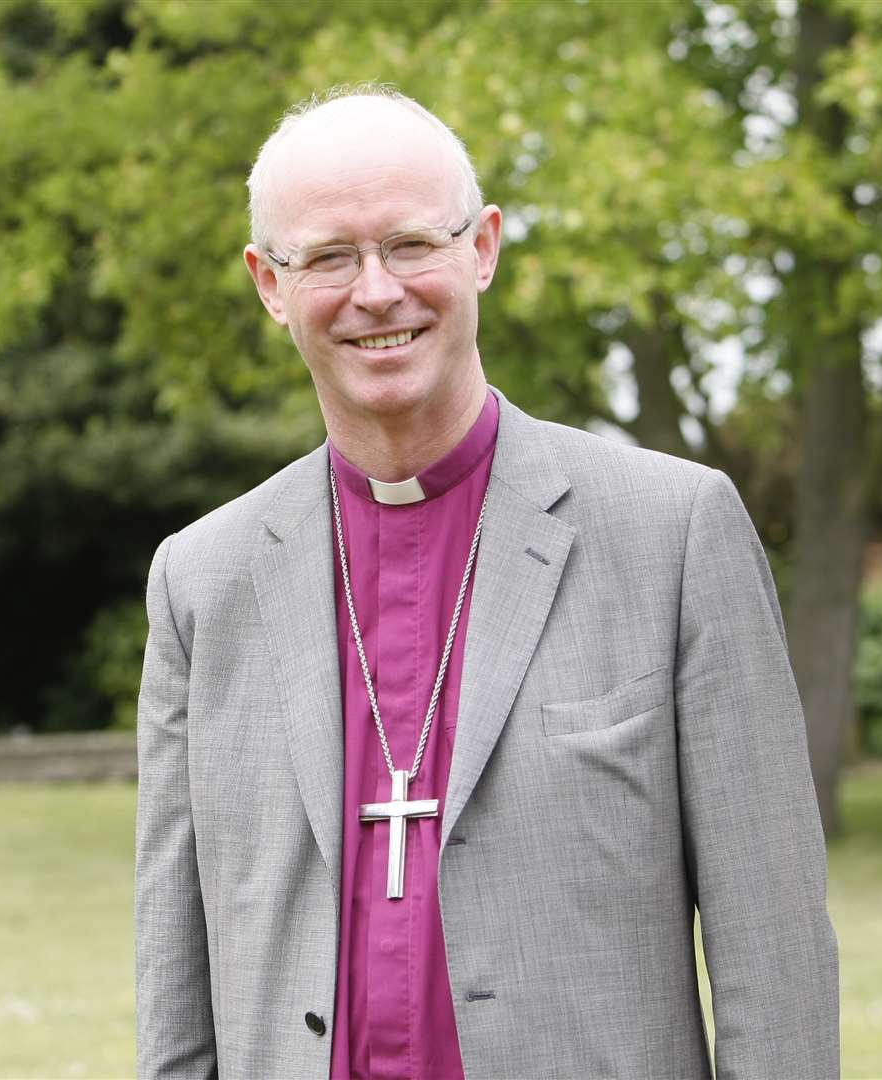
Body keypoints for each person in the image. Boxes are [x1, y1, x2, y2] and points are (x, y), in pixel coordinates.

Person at [134, 86, 838, 1080]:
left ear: (484, 249)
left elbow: (777, 958)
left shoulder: (671, 533)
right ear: (268, 283)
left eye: (413, 244)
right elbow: (174, 980)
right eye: (330, 256)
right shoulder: (200, 580)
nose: (377, 291)